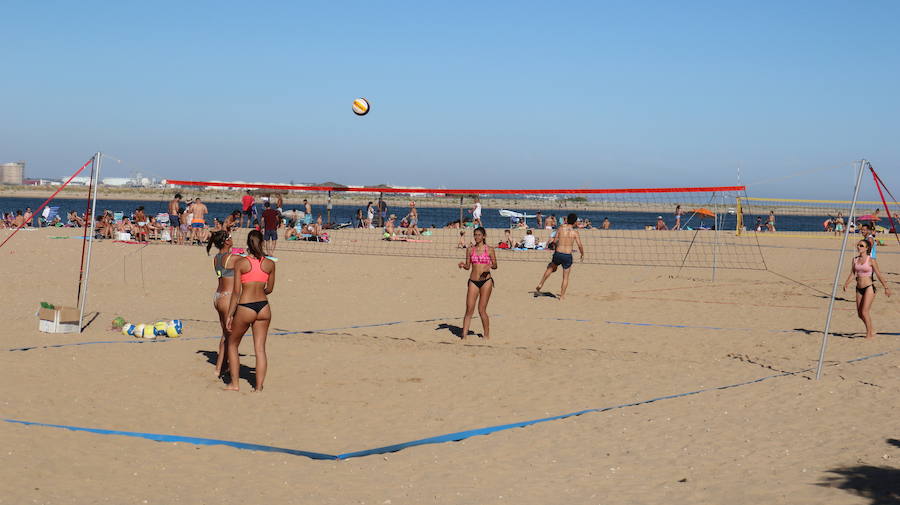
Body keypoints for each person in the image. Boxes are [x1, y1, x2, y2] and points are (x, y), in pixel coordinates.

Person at [225, 230, 276, 392]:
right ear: (261, 242)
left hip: (246, 306)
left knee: (232, 344)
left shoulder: (241, 263)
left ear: (248, 243)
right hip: (263, 306)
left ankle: (234, 384)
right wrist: (259, 291)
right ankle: (259, 387)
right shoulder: (269, 264)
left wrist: (230, 314)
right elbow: (270, 289)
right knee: (260, 349)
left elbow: (236, 293)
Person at [842, 239, 891, 339]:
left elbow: (879, 274)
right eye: (858, 245)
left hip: (869, 287)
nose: (859, 247)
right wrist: (846, 283)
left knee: (864, 311)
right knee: (860, 314)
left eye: (861, 246)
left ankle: (869, 334)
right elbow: (852, 273)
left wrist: (886, 287)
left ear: (867, 248)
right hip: (858, 288)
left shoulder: (871, 260)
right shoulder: (855, 259)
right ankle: (871, 329)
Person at [457, 227, 497, 340]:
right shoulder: (470, 250)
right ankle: (464, 335)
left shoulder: (489, 249)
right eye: (475, 235)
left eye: (479, 235)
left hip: (486, 281)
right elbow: (468, 266)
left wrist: (489, 266)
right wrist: (462, 265)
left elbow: (495, 265)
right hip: (473, 281)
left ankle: (486, 334)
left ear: (484, 236)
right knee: (469, 309)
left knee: (481, 309)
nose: (476, 237)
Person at [535, 213, 585, 300]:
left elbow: (554, 240)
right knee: (565, 277)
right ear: (575, 222)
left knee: (550, 268)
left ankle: (541, 284)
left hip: (558, 253)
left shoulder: (561, 228)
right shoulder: (575, 232)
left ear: (567, 220)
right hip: (567, 256)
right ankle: (562, 296)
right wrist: (582, 254)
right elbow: (580, 245)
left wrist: (556, 244)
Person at [207, 230, 235, 378]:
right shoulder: (232, 258)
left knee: (226, 333)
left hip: (218, 297)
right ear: (226, 241)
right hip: (227, 298)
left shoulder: (216, 258)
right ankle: (219, 368)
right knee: (230, 336)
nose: (232, 238)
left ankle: (223, 366)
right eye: (230, 237)